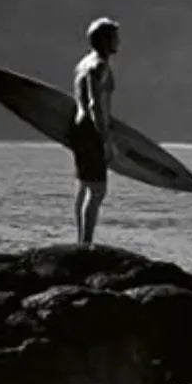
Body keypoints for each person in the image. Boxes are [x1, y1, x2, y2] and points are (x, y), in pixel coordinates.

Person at [69, 17, 121, 246]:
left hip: (78, 127)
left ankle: (81, 241)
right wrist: (106, 140)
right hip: (91, 130)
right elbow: (95, 105)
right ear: (104, 40)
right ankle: (86, 245)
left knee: (84, 186)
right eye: (114, 38)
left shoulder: (83, 63)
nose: (118, 42)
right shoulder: (99, 64)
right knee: (98, 190)